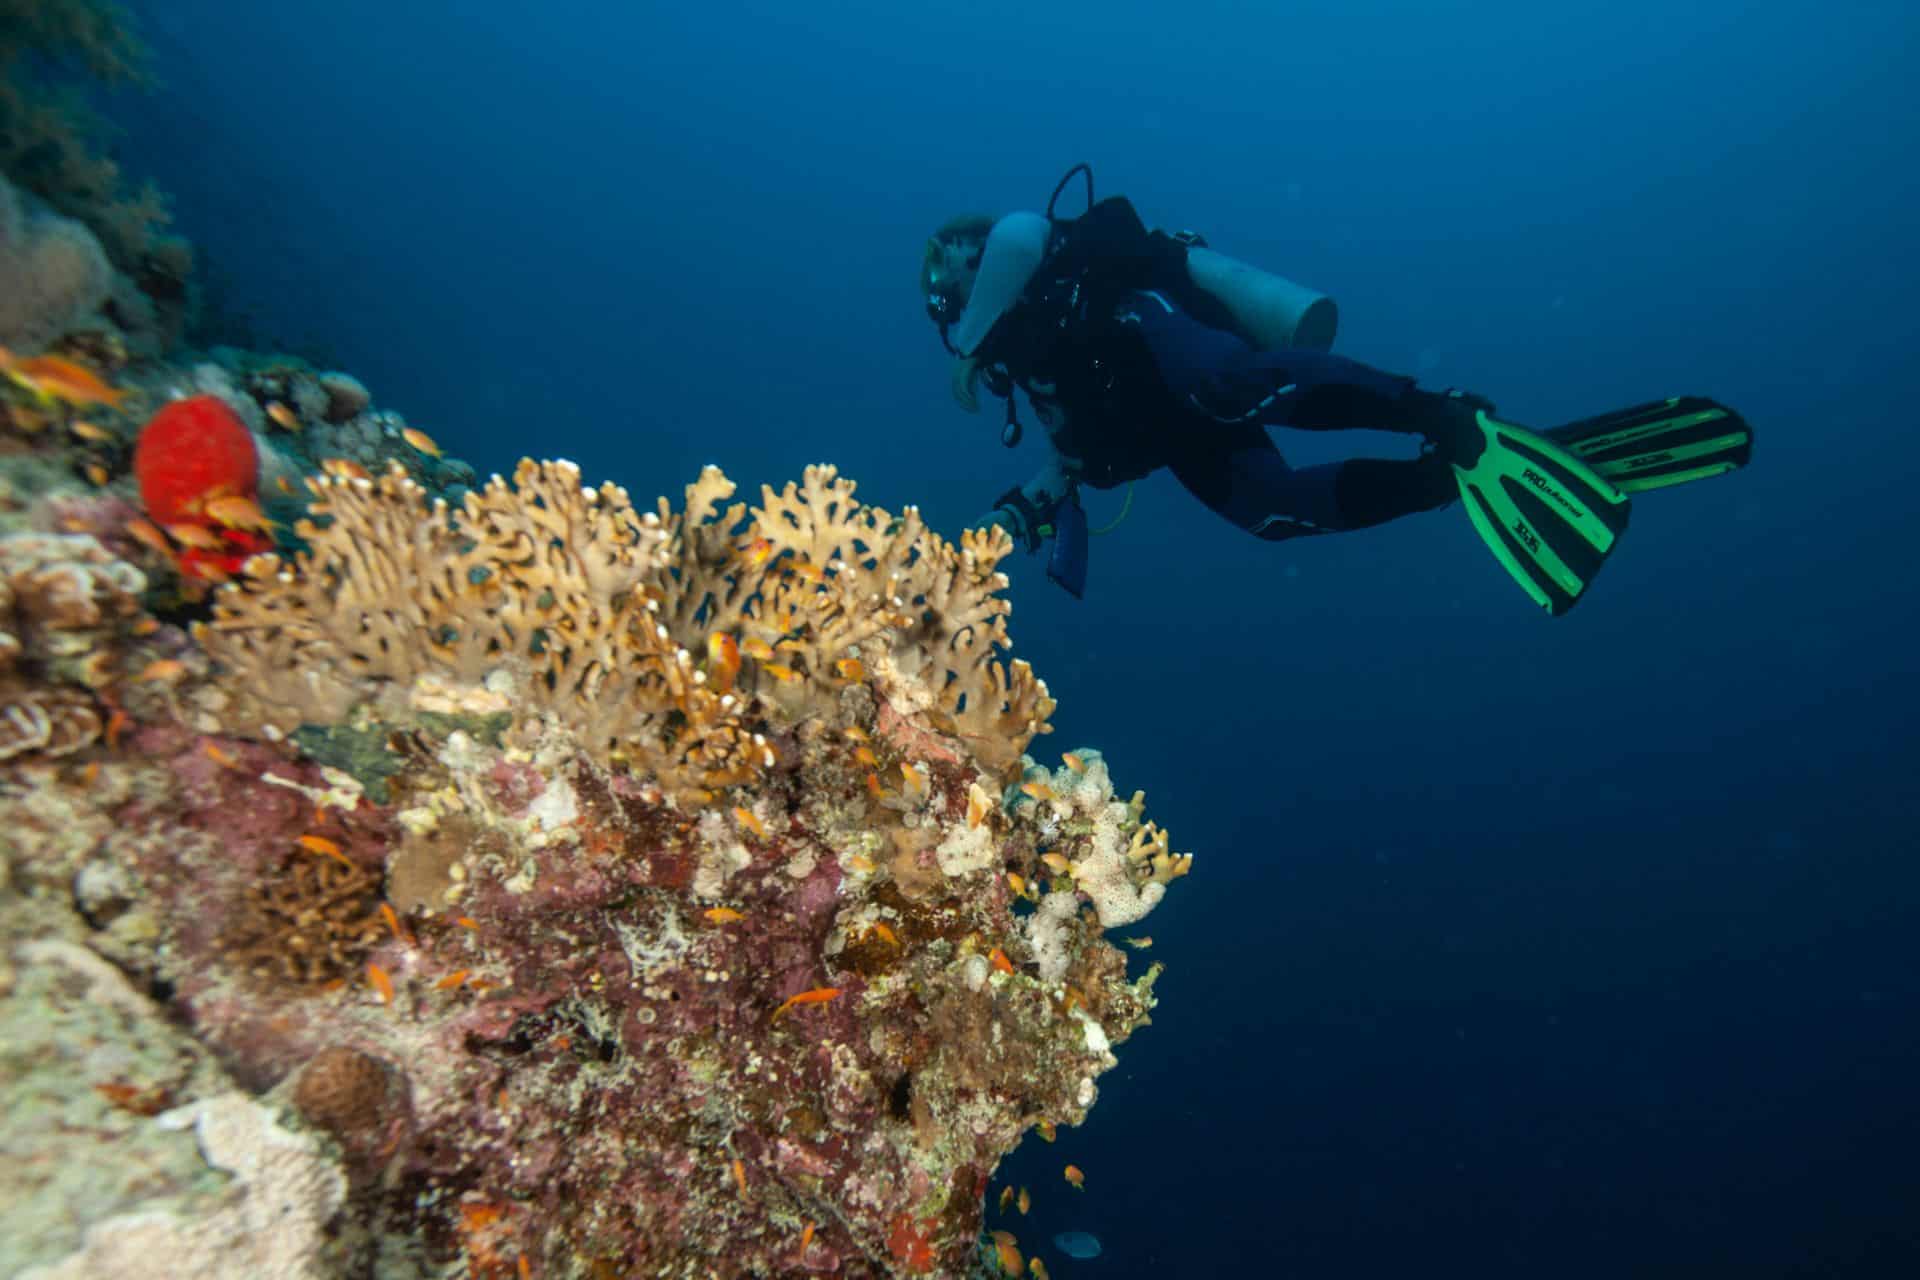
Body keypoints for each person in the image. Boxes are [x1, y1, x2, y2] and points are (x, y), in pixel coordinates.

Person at [921, 165, 1752, 614]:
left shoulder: (1035, 253)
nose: (950, 299)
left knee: (1225, 382)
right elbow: (1070, 459)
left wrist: (966, 350)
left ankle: (1437, 411)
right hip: (1175, 429)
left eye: (947, 277)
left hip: (1165, 336)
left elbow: (1019, 236)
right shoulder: (1031, 368)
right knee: (1271, 513)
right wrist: (1012, 520)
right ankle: (1444, 476)